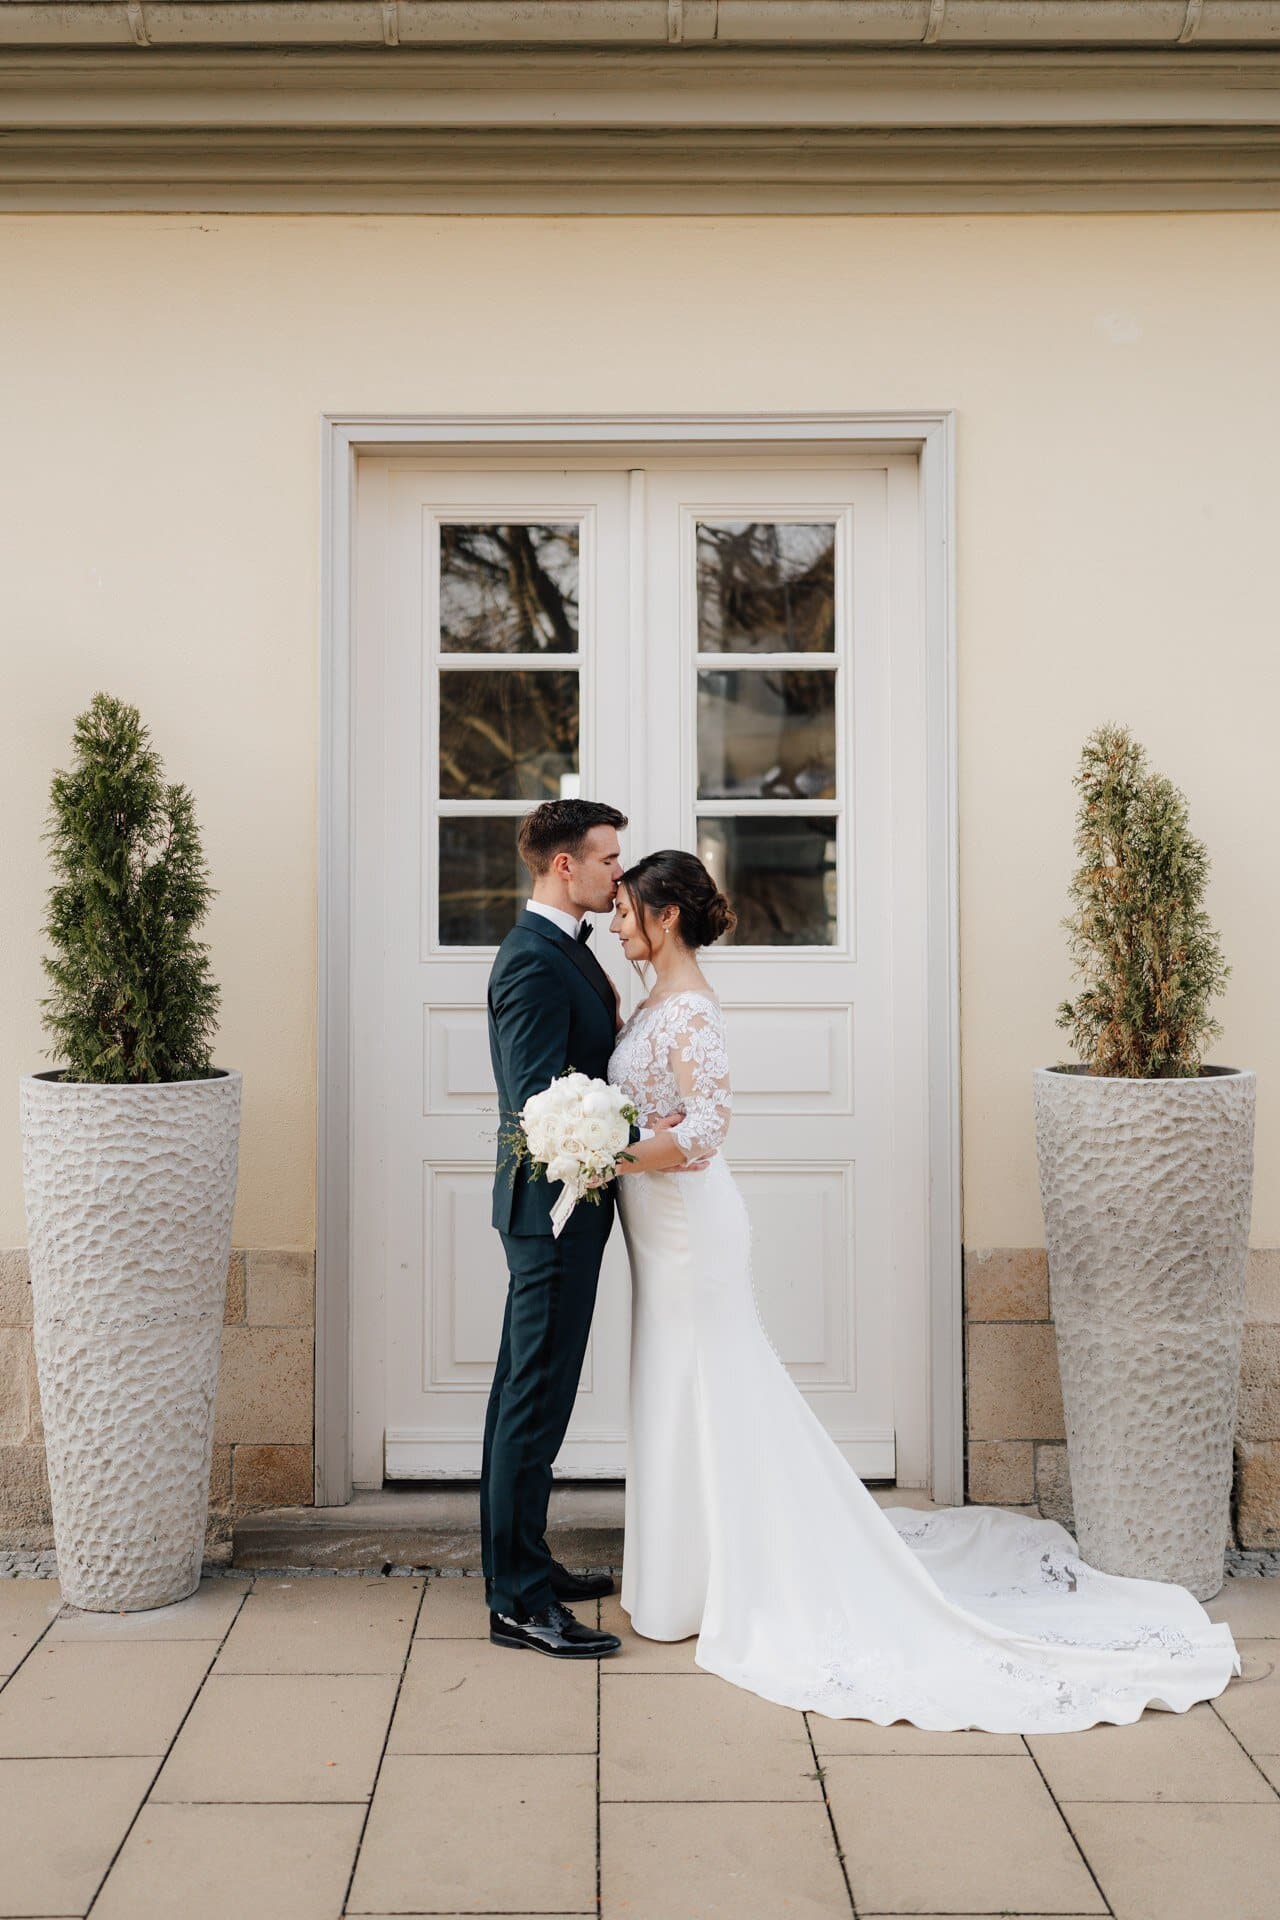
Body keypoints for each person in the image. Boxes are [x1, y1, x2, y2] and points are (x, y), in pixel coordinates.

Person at [604, 848, 1241, 1732]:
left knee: (709, 1384)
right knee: (675, 1386)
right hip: (657, 1229)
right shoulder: (649, 1003)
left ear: (666, 914)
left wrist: (608, 1153)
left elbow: (708, 1128)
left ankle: (718, 1579)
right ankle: (686, 1574)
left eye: (626, 909)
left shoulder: (691, 1011)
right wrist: (623, 1133)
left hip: (689, 1230)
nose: (615, 922)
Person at [483, 799, 691, 1661]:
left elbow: (577, 1079)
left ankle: (525, 1565)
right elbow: (541, 1104)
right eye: (608, 858)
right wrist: (620, 1141)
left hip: (571, 1207)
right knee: (533, 1402)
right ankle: (518, 1603)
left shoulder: (568, 947)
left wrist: (633, 1130)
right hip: (553, 1212)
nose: (619, 872)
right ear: (564, 865)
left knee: (529, 1395)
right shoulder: (532, 961)